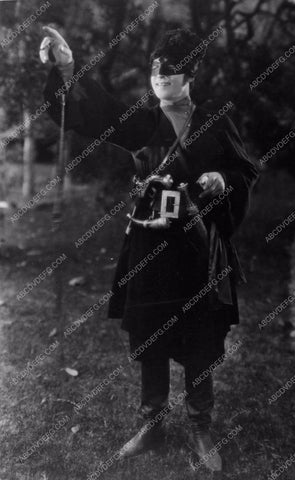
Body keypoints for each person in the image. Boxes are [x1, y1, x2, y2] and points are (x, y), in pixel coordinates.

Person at [41, 25, 259, 473]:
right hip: (149, 242)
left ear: (190, 76)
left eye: (172, 73)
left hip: (198, 246)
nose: (161, 79)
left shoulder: (215, 123)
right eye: (156, 73)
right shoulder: (141, 120)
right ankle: (152, 425)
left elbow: (245, 172)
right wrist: (66, 66)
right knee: (151, 332)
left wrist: (222, 180)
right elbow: (96, 110)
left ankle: (201, 426)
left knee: (199, 335)